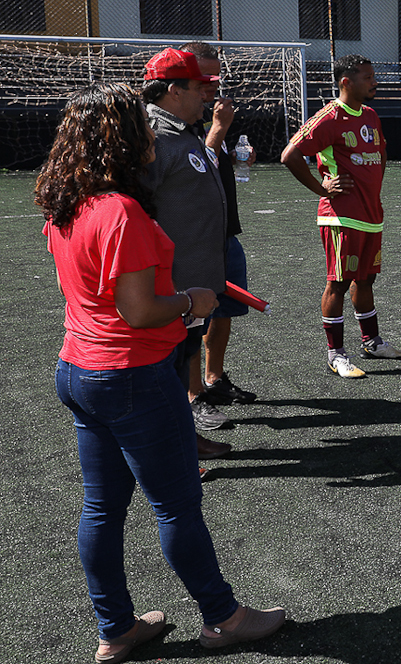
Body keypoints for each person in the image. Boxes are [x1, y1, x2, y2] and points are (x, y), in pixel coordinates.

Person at [36, 83, 286, 662]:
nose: (151, 134)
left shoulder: (66, 205)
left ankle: (115, 628)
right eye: (140, 127)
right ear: (120, 139)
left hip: (79, 368)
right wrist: (191, 301)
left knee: (101, 507)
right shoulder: (119, 210)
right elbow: (139, 310)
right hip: (131, 374)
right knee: (176, 504)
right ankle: (223, 618)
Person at [281, 55, 401, 379]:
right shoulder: (329, 117)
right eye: (367, 77)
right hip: (341, 217)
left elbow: (381, 153)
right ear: (346, 82)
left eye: (373, 75)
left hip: (370, 215)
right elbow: (290, 154)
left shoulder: (371, 115)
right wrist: (321, 189)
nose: (374, 82)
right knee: (338, 283)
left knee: (366, 280)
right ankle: (336, 354)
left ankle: (372, 341)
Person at [139, 48, 233, 463]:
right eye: (199, 88)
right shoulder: (152, 139)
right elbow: (134, 213)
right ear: (174, 91)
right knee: (164, 370)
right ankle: (172, 453)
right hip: (172, 286)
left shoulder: (183, 130)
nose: (206, 97)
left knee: (183, 358)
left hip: (194, 281)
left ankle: (185, 438)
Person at [183, 42, 260, 409]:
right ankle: (194, 393)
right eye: (205, 76)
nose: (213, 83)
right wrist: (219, 129)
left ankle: (214, 378)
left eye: (216, 75)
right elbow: (194, 169)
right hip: (196, 241)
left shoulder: (200, 112)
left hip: (225, 233)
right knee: (194, 318)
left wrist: (233, 155)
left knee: (225, 309)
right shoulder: (178, 118)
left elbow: (213, 163)